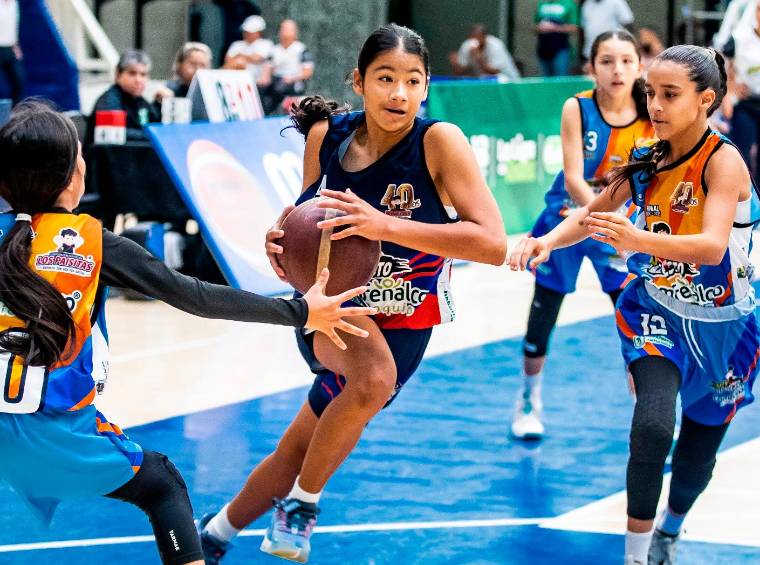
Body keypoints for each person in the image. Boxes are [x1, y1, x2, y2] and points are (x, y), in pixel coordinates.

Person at [0, 100, 374, 565]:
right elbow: (195, 296)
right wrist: (299, 312)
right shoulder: (92, 242)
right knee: (162, 485)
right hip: (54, 433)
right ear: (72, 176)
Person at [198, 23, 506, 564]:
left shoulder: (439, 142)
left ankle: (216, 533)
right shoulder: (327, 136)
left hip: (408, 318)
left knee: (299, 445)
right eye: (386, 78)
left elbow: (492, 244)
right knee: (373, 378)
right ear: (359, 81)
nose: (399, 93)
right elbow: (302, 217)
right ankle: (299, 510)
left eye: (413, 80)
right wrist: (278, 241)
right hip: (332, 307)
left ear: (427, 85)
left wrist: (383, 225)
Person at [509, 45, 760, 565]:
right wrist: (546, 242)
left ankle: (671, 528)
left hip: (724, 330)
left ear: (705, 99)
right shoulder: (647, 158)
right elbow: (593, 212)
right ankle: (635, 555)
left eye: (670, 94)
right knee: (650, 426)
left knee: (696, 458)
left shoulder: (724, 161)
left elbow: (712, 246)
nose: (656, 105)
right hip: (656, 311)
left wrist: (638, 240)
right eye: (651, 93)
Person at [509, 30, 654, 440]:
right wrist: (600, 213)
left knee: (634, 317)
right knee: (544, 311)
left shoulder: (651, 112)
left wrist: (627, 223)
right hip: (569, 215)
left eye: (626, 60)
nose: (617, 69)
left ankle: (647, 412)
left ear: (639, 66)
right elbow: (574, 176)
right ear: (591, 67)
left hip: (619, 226)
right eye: (607, 61)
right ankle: (528, 398)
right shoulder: (578, 107)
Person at [721, 0, 760, 204]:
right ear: (754, 13)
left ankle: (759, 209)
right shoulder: (739, 38)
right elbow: (723, 64)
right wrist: (729, 90)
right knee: (741, 157)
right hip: (747, 104)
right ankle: (739, 207)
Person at [88, 49, 159, 142]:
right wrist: (151, 134)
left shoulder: (139, 100)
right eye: (132, 73)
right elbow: (117, 135)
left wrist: (159, 103)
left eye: (143, 74)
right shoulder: (109, 101)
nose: (138, 80)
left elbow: (155, 124)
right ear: (118, 74)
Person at [258, 19, 315, 115]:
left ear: (295, 32)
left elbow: (308, 72)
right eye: (283, 29)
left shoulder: (301, 49)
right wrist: (264, 78)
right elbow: (267, 67)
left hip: (294, 81)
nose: (285, 32)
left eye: (288, 29)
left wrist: (292, 78)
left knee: (281, 88)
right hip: (277, 80)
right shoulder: (274, 50)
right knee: (262, 89)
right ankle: (264, 115)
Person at [448, 24, 520, 79]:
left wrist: (479, 58)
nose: (475, 40)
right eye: (473, 37)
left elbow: (494, 73)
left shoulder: (496, 45)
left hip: (509, 83)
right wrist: (456, 65)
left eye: (478, 37)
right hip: (485, 83)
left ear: (484, 37)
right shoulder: (467, 45)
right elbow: (459, 74)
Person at [223, 15, 274, 85]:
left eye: (250, 32)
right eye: (246, 32)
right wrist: (245, 59)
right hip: (233, 81)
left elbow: (258, 58)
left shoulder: (265, 44)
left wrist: (240, 56)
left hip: (256, 82)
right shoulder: (236, 44)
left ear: (259, 32)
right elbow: (228, 60)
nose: (247, 34)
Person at [534, 0, 579, 77]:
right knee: (545, 79)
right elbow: (535, 26)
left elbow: (575, 28)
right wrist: (540, 28)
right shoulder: (541, 4)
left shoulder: (569, 4)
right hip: (543, 47)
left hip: (560, 48)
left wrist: (554, 28)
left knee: (561, 78)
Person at [0, 0, 23, 105]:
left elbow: (13, 24)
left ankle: (15, 114)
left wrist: (15, 44)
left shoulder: (14, 3)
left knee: (19, 80)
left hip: (10, 48)